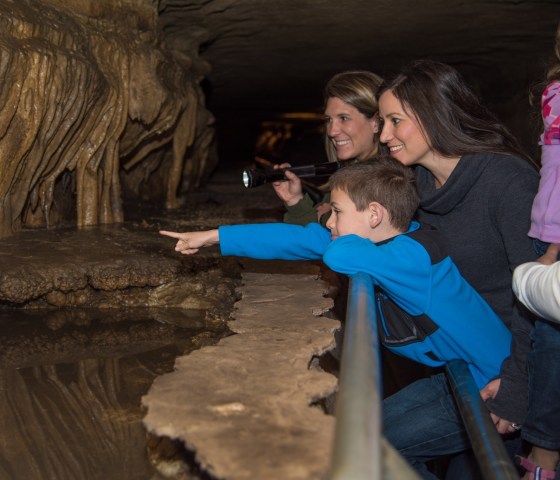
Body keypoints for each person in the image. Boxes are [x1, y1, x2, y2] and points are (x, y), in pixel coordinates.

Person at [159, 157, 512, 435]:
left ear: (375, 214)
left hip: (496, 386)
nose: (329, 221)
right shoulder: (395, 243)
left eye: (338, 212)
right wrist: (212, 236)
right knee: (367, 434)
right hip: (456, 375)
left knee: (384, 447)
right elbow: (299, 239)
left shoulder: (411, 258)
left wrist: (333, 239)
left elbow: (337, 254)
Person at [377, 59, 539, 478]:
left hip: (513, 372)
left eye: (395, 121)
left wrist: (517, 388)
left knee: (374, 446)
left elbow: (539, 298)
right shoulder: (419, 188)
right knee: (360, 435)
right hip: (461, 364)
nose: (383, 135)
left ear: (434, 113)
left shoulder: (507, 180)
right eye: (381, 122)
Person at [515, 23, 560, 479]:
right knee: (541, 338)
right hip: (544, 229)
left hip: (556, 238)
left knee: (550, 340)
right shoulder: (553, 91)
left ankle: (544, 457)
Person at [272, 71, 384, 226]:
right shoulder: (345, 178)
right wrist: (294, 201)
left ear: (376, 122)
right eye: (328, 120)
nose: (331, 131)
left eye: (344, 118)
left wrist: (326, 217)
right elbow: (315, 239)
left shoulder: (390, 180)